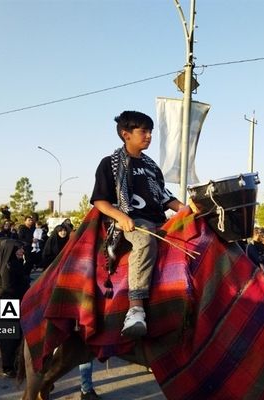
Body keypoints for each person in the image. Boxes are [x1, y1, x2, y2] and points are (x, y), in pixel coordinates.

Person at [90, 110, 184, 337]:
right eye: (143, 131)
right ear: (126, 134)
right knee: (144, 240)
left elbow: (165, 197)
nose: (149, 136)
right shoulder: (109, 164)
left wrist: (189, 210)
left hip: (159, 220)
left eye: (150, 131)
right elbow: (100, 201)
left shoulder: (152, 167)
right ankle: (135, 308)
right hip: (130, 221)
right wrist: (121, 217)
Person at [0, 238, 30, 377]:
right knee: (9, 338)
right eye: (18, 249)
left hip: (12, 303)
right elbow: (9, 288)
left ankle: (13, 365)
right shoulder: (7, 266)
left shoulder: (13, 263)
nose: (21, 251)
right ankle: (8, 367)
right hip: (8, 304)